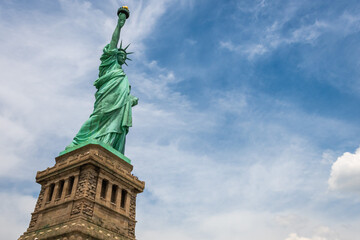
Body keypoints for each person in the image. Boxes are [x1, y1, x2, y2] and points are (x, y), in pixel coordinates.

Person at [66, 7, 137, 154]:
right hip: (106, 99)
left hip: (119, 104)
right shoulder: (108, 65)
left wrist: (129, 100)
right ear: (114, 55)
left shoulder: (122, 74)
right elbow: (114, 41)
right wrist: (119, 25)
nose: (123, 56)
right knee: (98, 116)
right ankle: (78, 141)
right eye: (120, 54)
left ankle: (109, 145)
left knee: (116, 123)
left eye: (125, 55)